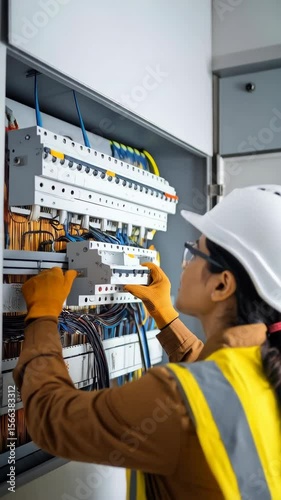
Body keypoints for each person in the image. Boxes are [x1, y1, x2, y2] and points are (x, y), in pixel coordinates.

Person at [13, 185, 281, 499]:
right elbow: (217, 387)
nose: (184, 264)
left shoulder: (173, 399)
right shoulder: (264, 365)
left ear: (222, 285)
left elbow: (53, 420)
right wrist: (166, 317)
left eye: (193, 252)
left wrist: (43, 316)